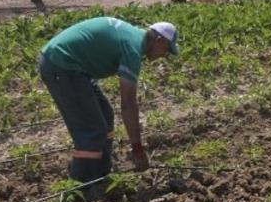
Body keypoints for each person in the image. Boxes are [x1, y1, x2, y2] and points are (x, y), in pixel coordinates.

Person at [38, 17, 179, 185]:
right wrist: (137, 148)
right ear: (159, 40)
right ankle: (81, 186)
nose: (164, 55)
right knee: (93, 131)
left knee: (106, 117)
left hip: (72, 66)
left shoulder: (134, 37)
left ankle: (101, 175)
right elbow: (128, 103)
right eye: (166, 49)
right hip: (61, 64)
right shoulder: (132, 50)